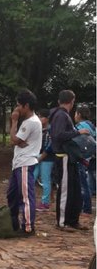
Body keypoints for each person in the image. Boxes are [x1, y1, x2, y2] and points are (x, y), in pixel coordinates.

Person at [50, 90, 91, 230]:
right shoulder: (61, 115)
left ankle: (73, 220)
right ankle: (62, 222)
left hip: (70, 158)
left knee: (75, 190)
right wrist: (77, 132)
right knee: (66, 191)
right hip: (63, 157)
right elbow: (59, 135)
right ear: (72, 101)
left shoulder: (62, 115)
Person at [7, 89, 42, 236]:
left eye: (18, 105)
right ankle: (13, 222)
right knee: (12, 194)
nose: (17, 109)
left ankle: (28, 226)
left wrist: (14, 121)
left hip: (25, 162)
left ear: (26, 106)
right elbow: (17, 141)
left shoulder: (30, 122)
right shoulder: (28, 122)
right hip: (19, 162)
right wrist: (17, 141)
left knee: (26, 196)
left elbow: (14, 140)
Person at [74, 105, 96, 215]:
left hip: (81, 157)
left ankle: (86, 208)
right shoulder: (91, 126)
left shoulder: (81, 126)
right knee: (85, 182)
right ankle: (86, 206)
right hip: (89, 157)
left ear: (79, 114)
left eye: (75, 113)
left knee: (82, 183)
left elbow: (76, 140)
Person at [34, 109, 55, 212]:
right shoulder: (40, 129)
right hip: (38, 156)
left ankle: (45, 203)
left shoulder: (51, 130)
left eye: (41, 117)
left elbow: (50, 147)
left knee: (45, 180)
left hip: (47, 158)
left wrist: (41, 157)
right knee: (32, 177)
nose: (39, 119)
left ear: (47, 119)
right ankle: (28, 199)